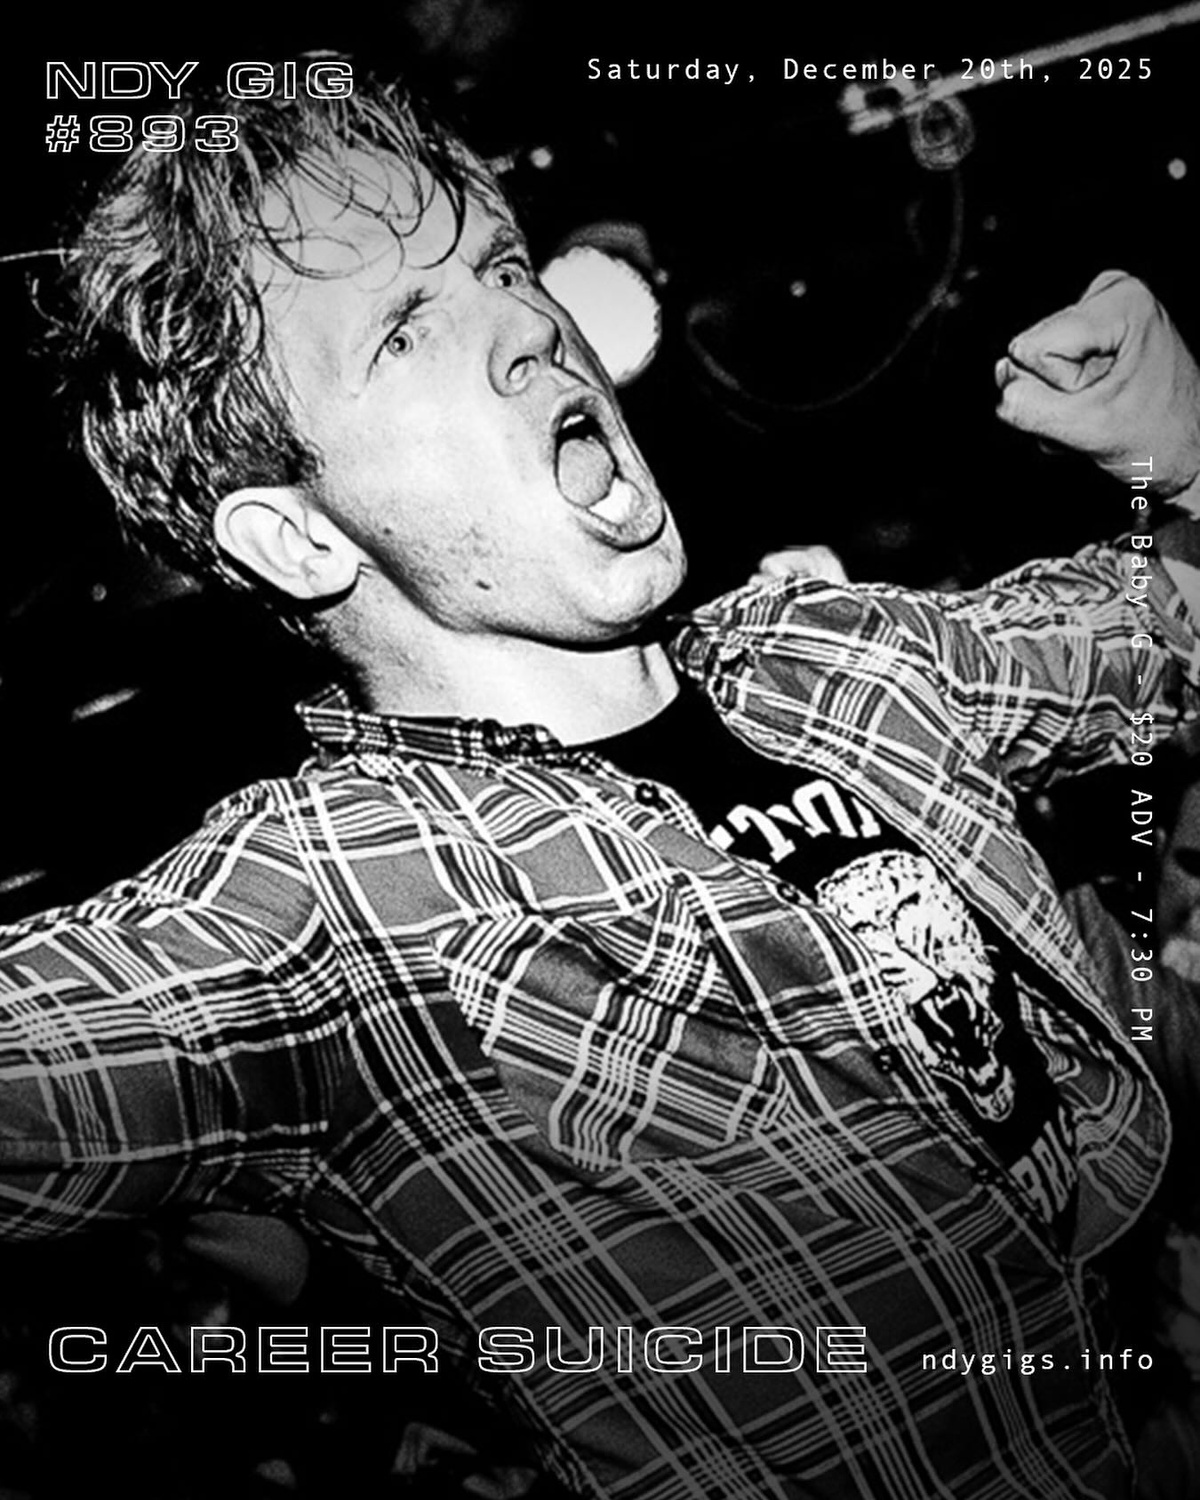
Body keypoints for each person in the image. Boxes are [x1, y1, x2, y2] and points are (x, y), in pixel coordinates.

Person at [4, 67, 1200, 1500]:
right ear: (304, 539)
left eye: (504, 267)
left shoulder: (826, 660)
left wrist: (1185, 463)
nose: (530, 324)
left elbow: (1167, 631)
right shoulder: (331, 908)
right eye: (406, 329)